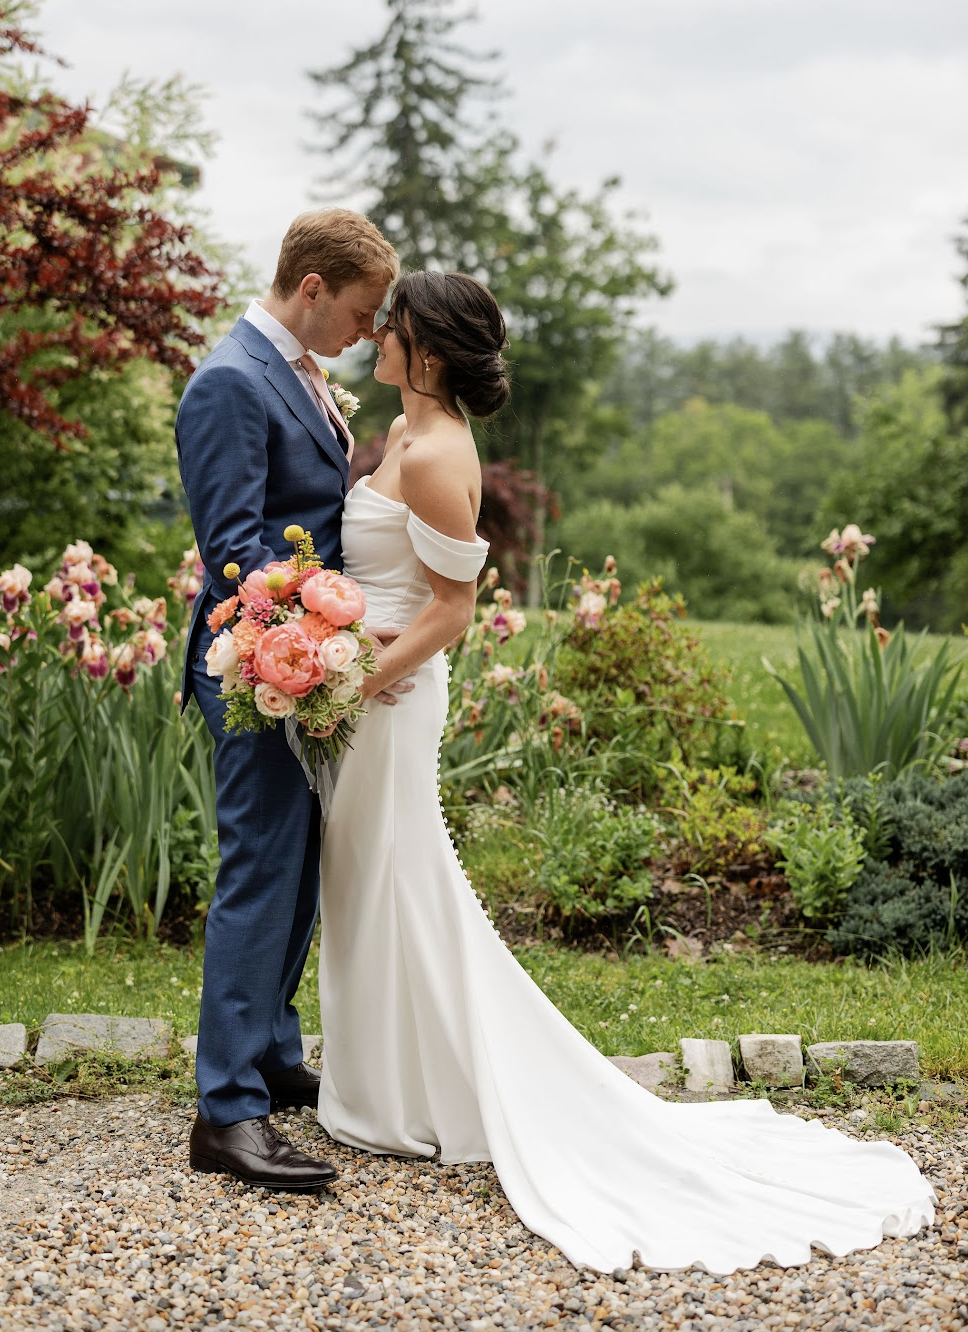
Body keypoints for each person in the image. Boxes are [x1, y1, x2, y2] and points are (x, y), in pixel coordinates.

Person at [314, 270, 935, 1273]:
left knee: (396, 879)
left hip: (387, 702)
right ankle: (386, 1085)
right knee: (370, 884)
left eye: (392, 324)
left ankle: (407, 1094)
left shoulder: (433, 454)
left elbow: (451, 611)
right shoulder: (397, 435)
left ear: (426, 348)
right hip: (367, 692)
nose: (374, 332)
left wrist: (354, 680)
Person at [175, 208, 398, 1190]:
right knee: (259, 873)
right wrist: (338, 636)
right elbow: (236, 550)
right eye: (355, 313)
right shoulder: (229, 382)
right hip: (260, 664)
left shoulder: (298, 372)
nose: (362, 332)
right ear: (310, 289)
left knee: (296, 868)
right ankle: (225, 1112)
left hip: (301, 664)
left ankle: (268, 1053)